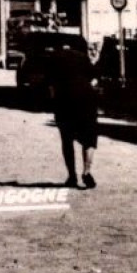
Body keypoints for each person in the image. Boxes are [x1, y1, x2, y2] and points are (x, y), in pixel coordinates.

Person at [47, 41, 100, 189]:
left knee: (67, 138)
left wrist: (54, 103)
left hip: (64, 99)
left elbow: (51, 87)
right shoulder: (83, 57)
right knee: (89, 137)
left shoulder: (54, 57)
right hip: (86, 98)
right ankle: (87, 172)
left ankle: (72, 176)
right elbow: (94, 79)